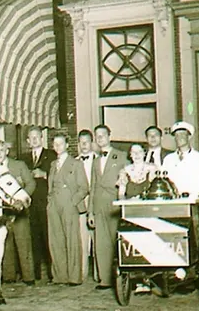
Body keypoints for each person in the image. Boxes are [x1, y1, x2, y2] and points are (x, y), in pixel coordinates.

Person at [0, 140, 36, 285]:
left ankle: (28, 276)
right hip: (3, 212)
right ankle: (8, 276)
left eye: (1, 150)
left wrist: (21, 200)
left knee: (23, 243)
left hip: (19, 211)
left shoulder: (19, 165)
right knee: (5, 244)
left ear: (7, 151)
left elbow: (31, 183)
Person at [88, 124, 127, 290]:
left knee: (117, 241)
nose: (99, 138)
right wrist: (90, 211)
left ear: (109, 136)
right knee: (101, 243)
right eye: (97, 136)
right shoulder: (95, 160)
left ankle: (121, 278)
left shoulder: (121, 156)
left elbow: (126, 180)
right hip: (98, 205)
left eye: (102, 135)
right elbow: (93, 186)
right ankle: (105, 279)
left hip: (114, 204)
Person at [47, 133, 89, 286]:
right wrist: (50, 201)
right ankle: (59, 276)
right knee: (56, 239)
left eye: (60, 143)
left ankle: (73, 277)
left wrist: (73, 202)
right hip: (54, 204)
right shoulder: (52, 165)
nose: (57, 146)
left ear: (67, 145)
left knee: (72, 240)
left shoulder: (75, 164)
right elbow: (50, 187)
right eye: (55, 144)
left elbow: (84, 187)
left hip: (69, 203)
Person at [23, 126, 55, 282]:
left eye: (37, 137)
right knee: (33, 238)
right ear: (28, 141)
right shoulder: (23, 158)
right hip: (30, 203)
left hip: (46, 202)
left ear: (42, 138)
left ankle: (52, 272)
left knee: (48, 237)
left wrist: (45, 174)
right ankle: (35, 273)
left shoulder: (51, 155)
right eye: (31, 138)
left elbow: (59, 175)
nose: (34, 140)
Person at [161, 122, 199, 199]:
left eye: (182, 135)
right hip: (174, 201)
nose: (179, 138)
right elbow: (164, 180)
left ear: (189, 137)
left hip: (194, 200)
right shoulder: (168, 159)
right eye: (176, 135)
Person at [76, 130, 97, 283]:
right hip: (80, 203)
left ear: (92, 143)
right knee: (82, 240)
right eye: (81, 142)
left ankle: (99, 274)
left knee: (98, 240)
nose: (84, 145)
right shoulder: (74, 162)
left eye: (87, 142)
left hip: (96, 203)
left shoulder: (100, 159)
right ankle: (82, 274)